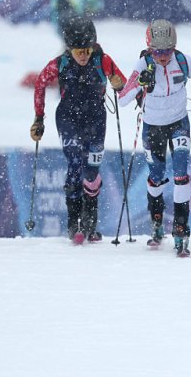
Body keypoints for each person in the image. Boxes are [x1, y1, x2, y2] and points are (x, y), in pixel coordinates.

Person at [118, 19, 191, 257]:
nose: (163, 57)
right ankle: (156, 219)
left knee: (181, 174)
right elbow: (122, 99)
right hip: (153, 127)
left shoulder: (184, 61)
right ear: (150, 49)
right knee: (156, 177)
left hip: (179, 123)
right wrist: (140, 82)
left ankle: (181, 226)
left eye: (167, 50)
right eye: (158, 51)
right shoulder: (143, 64)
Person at [30, 16, 125, 244]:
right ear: (69, 49)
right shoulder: (59, 63)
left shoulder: (104, 60)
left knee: (91, 172)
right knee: (74, 164)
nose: (83, 56)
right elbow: (40, 84)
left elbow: (124, 85)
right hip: (68, 119)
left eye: (87, 50)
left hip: (95, 120)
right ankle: (74, 225)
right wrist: (38, 118)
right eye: (78, 51)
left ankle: (90, 223)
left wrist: (119, 84)